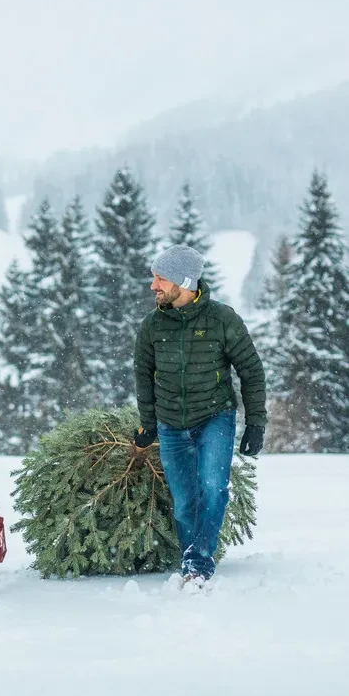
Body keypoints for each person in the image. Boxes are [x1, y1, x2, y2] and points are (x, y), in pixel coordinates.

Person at [134, 244, 266, 584]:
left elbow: (251, 371)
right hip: (169, 425)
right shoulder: (152, 326)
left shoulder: (222, 320)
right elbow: (143, 377)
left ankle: (197, 563)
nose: (153, 286)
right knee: (183, 503)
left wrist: (255, 424)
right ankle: (194, 559)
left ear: (184, 282)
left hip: (214, 417)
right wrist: (148, 424)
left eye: (160, 279)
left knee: (213, 486)